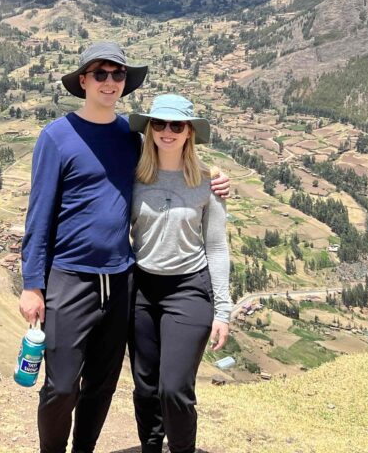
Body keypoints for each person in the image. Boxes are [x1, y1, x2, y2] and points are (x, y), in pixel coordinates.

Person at [20, 43, 230, 453]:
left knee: (102, 383)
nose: (110, 82)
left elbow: (173, 170)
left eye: (118, 75)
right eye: (101, 74)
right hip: (70, 276)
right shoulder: (56, 137)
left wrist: (218, 179)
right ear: (83, 81)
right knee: (61, 386)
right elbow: (38, 214)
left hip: (121, 280)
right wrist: (32, 283)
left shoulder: (129, 137)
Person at [127, 94, 232, 453]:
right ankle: (151, 448)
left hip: (189, 288)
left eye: (177, 125)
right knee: (145, 385)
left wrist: (223, 311)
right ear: (149, 129)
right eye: (159, 124)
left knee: (174, 387)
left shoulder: (208, 183)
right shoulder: (134, 179)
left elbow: (217, 247)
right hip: (142, 289)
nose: (167, 131)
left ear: (189, 132)